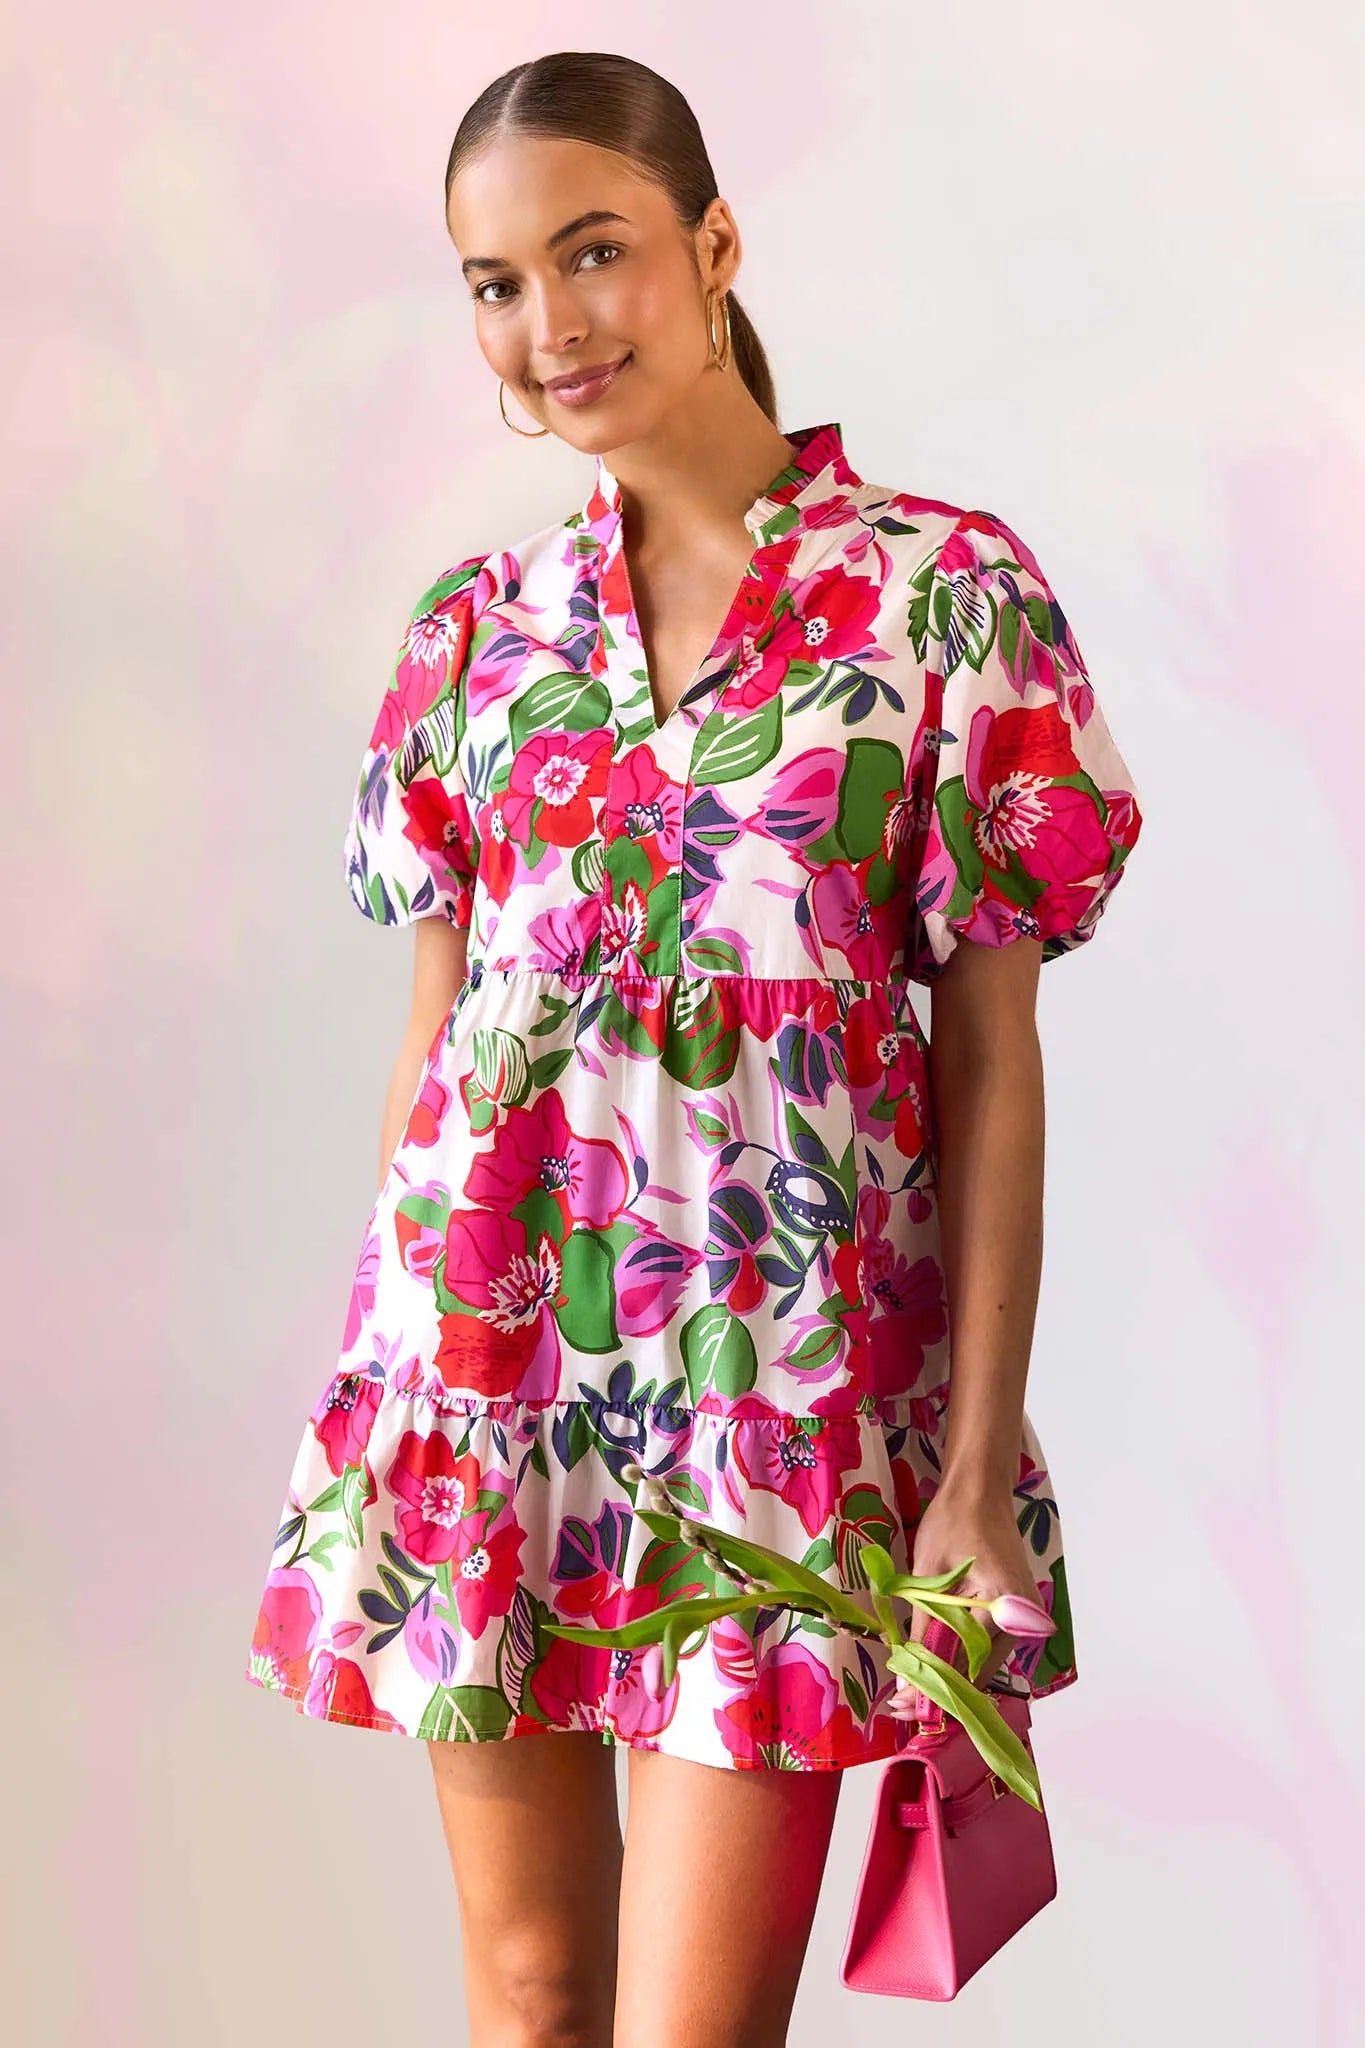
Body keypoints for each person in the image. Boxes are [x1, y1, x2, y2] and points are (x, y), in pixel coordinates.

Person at [244, 48, 1145, 2048]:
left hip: (777, 1402)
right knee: (533, 1995)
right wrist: (398, 1408)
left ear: (710, 245)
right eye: (494, 281)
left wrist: (972, 1457)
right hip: (485, 1387)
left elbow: (984, 1054)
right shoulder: (472, 637)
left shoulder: (939, 598)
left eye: (593, 253)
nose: (546, 324)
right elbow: (436, 1046)